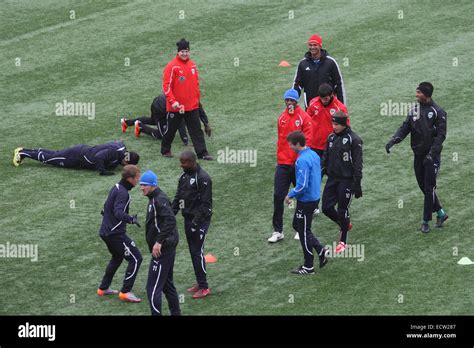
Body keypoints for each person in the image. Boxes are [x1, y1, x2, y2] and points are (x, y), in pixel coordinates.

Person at [386, 82, 448, 233]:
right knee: (424, 187)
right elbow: (405, 127)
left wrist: (432, 154)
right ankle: (440, 213)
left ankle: (425, 221)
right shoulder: (414, 110)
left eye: (419, 92)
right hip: (418, 155)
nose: (416, 95)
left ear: (426, 94)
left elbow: (441, 136)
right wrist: (394, 139)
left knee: (428, 188)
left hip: (431, 157)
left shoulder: (439, 112)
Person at [268, 89, 313, 243]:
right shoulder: (281, 118)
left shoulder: (304, 118)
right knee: (278, 196)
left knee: (302, 196)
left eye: (291, 100)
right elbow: (281, 142)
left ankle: (299, 228)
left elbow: (307, 141)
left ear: (296, 101)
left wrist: (300, 160)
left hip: (297, 164)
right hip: (283, 163)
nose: (289, 103)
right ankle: (277, 230)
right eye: (287, 100)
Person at [97, 165, 143, 303]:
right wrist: (131, 219)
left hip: (105, 231)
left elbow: (106, 207)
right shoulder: (123, 193)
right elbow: (118, 212)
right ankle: (125, 292)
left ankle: (103, 288)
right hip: (115, 234)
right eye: (137, 178)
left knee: (117, 257)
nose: (138, 181)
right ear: (130, 178)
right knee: (136, 258)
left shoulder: (116, 187)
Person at [161, 38, 212, 160]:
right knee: (171, 130)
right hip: (176, 107)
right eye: (182, 51)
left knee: (196, 130)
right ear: (178, 52)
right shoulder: (171, 67)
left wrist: (196, 101)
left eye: (186, 51)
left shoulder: (192, 65)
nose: (184, 54)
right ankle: (165, 150)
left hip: (191, 106)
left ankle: (202, 153)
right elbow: (166, 86)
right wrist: (173, 102)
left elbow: (196, 85)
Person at [285, 131, 328, 275]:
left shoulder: (302, 160)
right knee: (298, 226)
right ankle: (321, 251)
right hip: (314, 197)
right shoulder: (314, 155)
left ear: (298, 144)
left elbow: (302, 185)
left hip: (306, 200)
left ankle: (309, 266)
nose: (290, 147)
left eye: (291, 145)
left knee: (303, 231)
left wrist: (290, 195)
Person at [139, 170, 181, 316]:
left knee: (152, 287)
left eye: (144, 185)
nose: (141, 188)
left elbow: (170, 220)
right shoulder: (153, 198)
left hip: (163, 249)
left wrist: (158, 242)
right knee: (167, 285)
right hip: (165, 247)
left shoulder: (159, 199)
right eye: (140, 184)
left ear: (152, 185)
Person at [172, 151, 212, 299]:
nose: (181, 165)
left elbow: (206, 205)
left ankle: (204, 287)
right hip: (188, 219)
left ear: (192, 162)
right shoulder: (184, 177)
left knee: (197, 252)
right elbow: (178, 198)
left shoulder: (203, 178)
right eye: (181, 162)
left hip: (200, 221)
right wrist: (170, 214)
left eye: (184, 163)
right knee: (193, 252)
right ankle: (199, 282)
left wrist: (195, 223)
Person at [321, 112, 363, 254]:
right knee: (326, 208)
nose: (334, 127)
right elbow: (325, 156)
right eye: (333, 124)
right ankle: (344, 224)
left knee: (342, 210)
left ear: (344, 124)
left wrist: (357, 183)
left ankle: (343, 242)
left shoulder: (354, 140)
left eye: (336, 124)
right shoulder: (331, 138)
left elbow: (358, 163)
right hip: (333, 179)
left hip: (347, 180)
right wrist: (323, 170)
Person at [120, 94, 212, 145]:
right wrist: (185, 141)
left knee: (153, 121)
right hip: (159, 109)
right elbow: (180, 123)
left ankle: (126, 122)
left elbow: (200, 109)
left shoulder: (192, 99)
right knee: (163, 135)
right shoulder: (182, 104)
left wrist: (206, 123)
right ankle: (140, 126)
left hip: (161, 103)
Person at [12, 141, 139, 175]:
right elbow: (98, 157)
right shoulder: (115, 153)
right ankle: (22, 153)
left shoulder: (122, 149)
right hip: (77, 157)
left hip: (81, 150)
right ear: (126, 160)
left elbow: (117, 142)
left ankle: (25, 150)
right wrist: (102, 171)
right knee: (50, 159)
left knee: (54, 155)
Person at [293, 34, 346, 108]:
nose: (312, 47)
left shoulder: (331, 62)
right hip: (310, 107)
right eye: (310, 45)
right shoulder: (303, 64)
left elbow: (338, 85)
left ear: (320, 46)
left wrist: (342, 106)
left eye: (315, 45)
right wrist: (292, 101)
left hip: (329, 107)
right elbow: (297, 85)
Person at [307, 83, 349, 159]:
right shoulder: (313, 103)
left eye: (326, 98)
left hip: (332, 146)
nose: (323, 101)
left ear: (331, 95)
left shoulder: (340, 108)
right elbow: (307, 121)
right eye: (321, 98)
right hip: (314, 145)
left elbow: (346, 127)